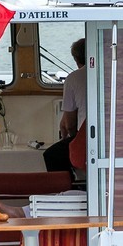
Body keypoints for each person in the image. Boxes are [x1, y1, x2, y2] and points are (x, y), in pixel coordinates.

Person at [44, 39, 86, 176]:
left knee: (52, 155)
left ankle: (70, 192)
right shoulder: (109, 72)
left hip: (86, 137)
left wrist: (74, 140)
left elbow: (70, 124)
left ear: (76, 59)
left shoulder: (73, 78)